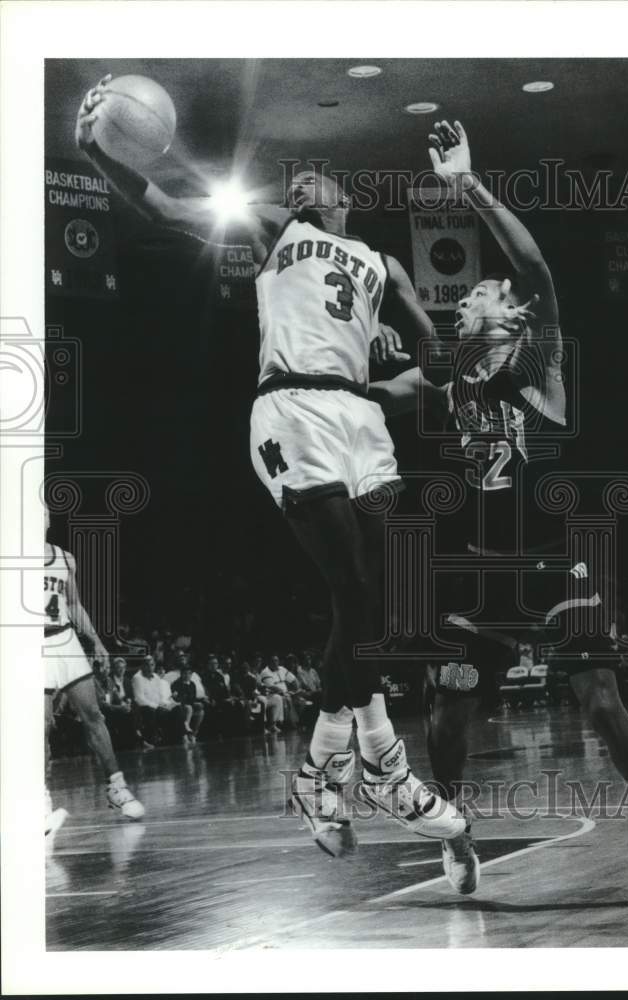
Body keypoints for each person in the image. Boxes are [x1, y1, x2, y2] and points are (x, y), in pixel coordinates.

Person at [75, 77, 464, 857]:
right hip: (291, 411)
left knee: (379, 602)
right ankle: (380, 759)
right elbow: (161, 206)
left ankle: (320, 768)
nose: (304, 180)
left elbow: (442, 362)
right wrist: (95, 152)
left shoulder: (381, 263)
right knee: (350, 586)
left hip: (359, 416)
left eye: (316, 176)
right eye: (300, 178)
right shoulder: (274, 228)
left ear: (343, 197)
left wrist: (400, 346)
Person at [369, 120, 628, 911]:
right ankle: (456, 832)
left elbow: (535, 265)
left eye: (482, 290)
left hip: (561, 550)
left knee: (598, 700)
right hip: (483, 565)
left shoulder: (535, 354)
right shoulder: (450, 373)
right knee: (449, 710)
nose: (470, 294)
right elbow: (388, 379)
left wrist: (468, 185)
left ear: (511, 310)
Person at [43, 504, 144, 832]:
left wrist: (97, 642)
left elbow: (73, 604)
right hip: (32, 646)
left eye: (42, 513)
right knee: (40, 726)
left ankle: (117, 788)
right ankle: (39, 801)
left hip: (65, 639)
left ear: (47, 519)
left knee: (94, 715)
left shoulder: (63, 557)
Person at [131, 655, 184, 745]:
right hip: (145, 708)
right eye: (147, 665)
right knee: (151, 711)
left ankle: (178, 739)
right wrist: (157, 706)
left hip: (159, 706)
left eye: (152, 665)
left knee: (177, 709)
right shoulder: (137, 678)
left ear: (154, 666)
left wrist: (166, 704)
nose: (150, 667)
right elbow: (139, 699)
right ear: (142, 666)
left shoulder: (156, 677)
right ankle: (153, 739)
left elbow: (161, 695)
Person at [171, 664, 205, 744]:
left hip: (189, 703)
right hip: (180, 705)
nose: (187, 675)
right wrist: (186, 700)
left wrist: (194, 702)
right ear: (181, 674)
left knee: (201, 709)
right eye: (185, 673)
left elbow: (193, 698)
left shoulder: (192, 684)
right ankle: (186, 726)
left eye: (189, 673)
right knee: (189, 708)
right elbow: (177, 698)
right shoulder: (176, 684)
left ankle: (193, 734)